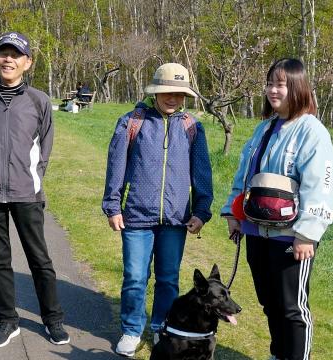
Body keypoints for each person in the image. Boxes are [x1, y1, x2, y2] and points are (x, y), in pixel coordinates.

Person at [221, 58, 333, 360]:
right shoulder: (264, 129)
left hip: (290, 237)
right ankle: (279, 354)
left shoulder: (313, 133)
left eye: (281, 84)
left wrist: (308, 234)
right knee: (269, 302)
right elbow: (244, 174)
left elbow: (320, 187)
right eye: (270, 83)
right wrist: (234, 213)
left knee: (291, 307)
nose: (273, 90)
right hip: (257, 231)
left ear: (297, 87)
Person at [0, 31, 70, 348]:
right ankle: (7, 321)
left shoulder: (39, 101)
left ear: (27, 62)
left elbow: (45, 150)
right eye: (3, 53)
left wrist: (31, 178)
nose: (8, 59)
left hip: (28, 194)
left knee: (40, 260)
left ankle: (52, 320)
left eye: (15, 54)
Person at [102, 63, 213, 357]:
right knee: (135, 277)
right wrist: (113, 206)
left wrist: (201, 211)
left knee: (168, 279)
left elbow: (202, 173)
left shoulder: (192, 127)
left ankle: (162, 327)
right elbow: (116, 167)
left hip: (176, 221)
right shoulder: (131, 122)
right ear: (155, 92)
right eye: (167, 92)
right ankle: (131, 329)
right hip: (136, 218)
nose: (173, 98)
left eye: (179, 93)